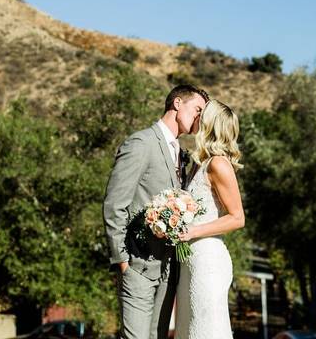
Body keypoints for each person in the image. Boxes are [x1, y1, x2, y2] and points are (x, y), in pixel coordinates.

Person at [103, 84, 209, 339]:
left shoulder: (181, 154)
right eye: (197, 110)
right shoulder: (141, 143)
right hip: (138, 267)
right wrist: (123, 261)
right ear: (177, 104)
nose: (199, 120)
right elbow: (114, 204)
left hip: (168, 269)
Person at [175, 99, 245, 339]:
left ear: (209, 123)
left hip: (208, 262)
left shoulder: (218, 164)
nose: (196, 116)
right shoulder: (200, 163)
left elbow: (237, 218)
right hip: (189, 261)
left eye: (201, 113)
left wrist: (194, 231)